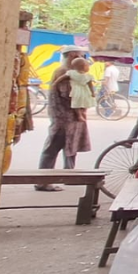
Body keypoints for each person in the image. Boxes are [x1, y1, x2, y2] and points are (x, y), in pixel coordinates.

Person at [37, 46, 92, 188]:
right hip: (63, 117)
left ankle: (69, 175)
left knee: (71, 147)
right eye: (80, 57)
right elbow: (68, 94)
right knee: (53, 147)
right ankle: (43, 181)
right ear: (72, 56)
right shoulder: (64, 72)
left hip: (71, 117)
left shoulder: (72, 72)